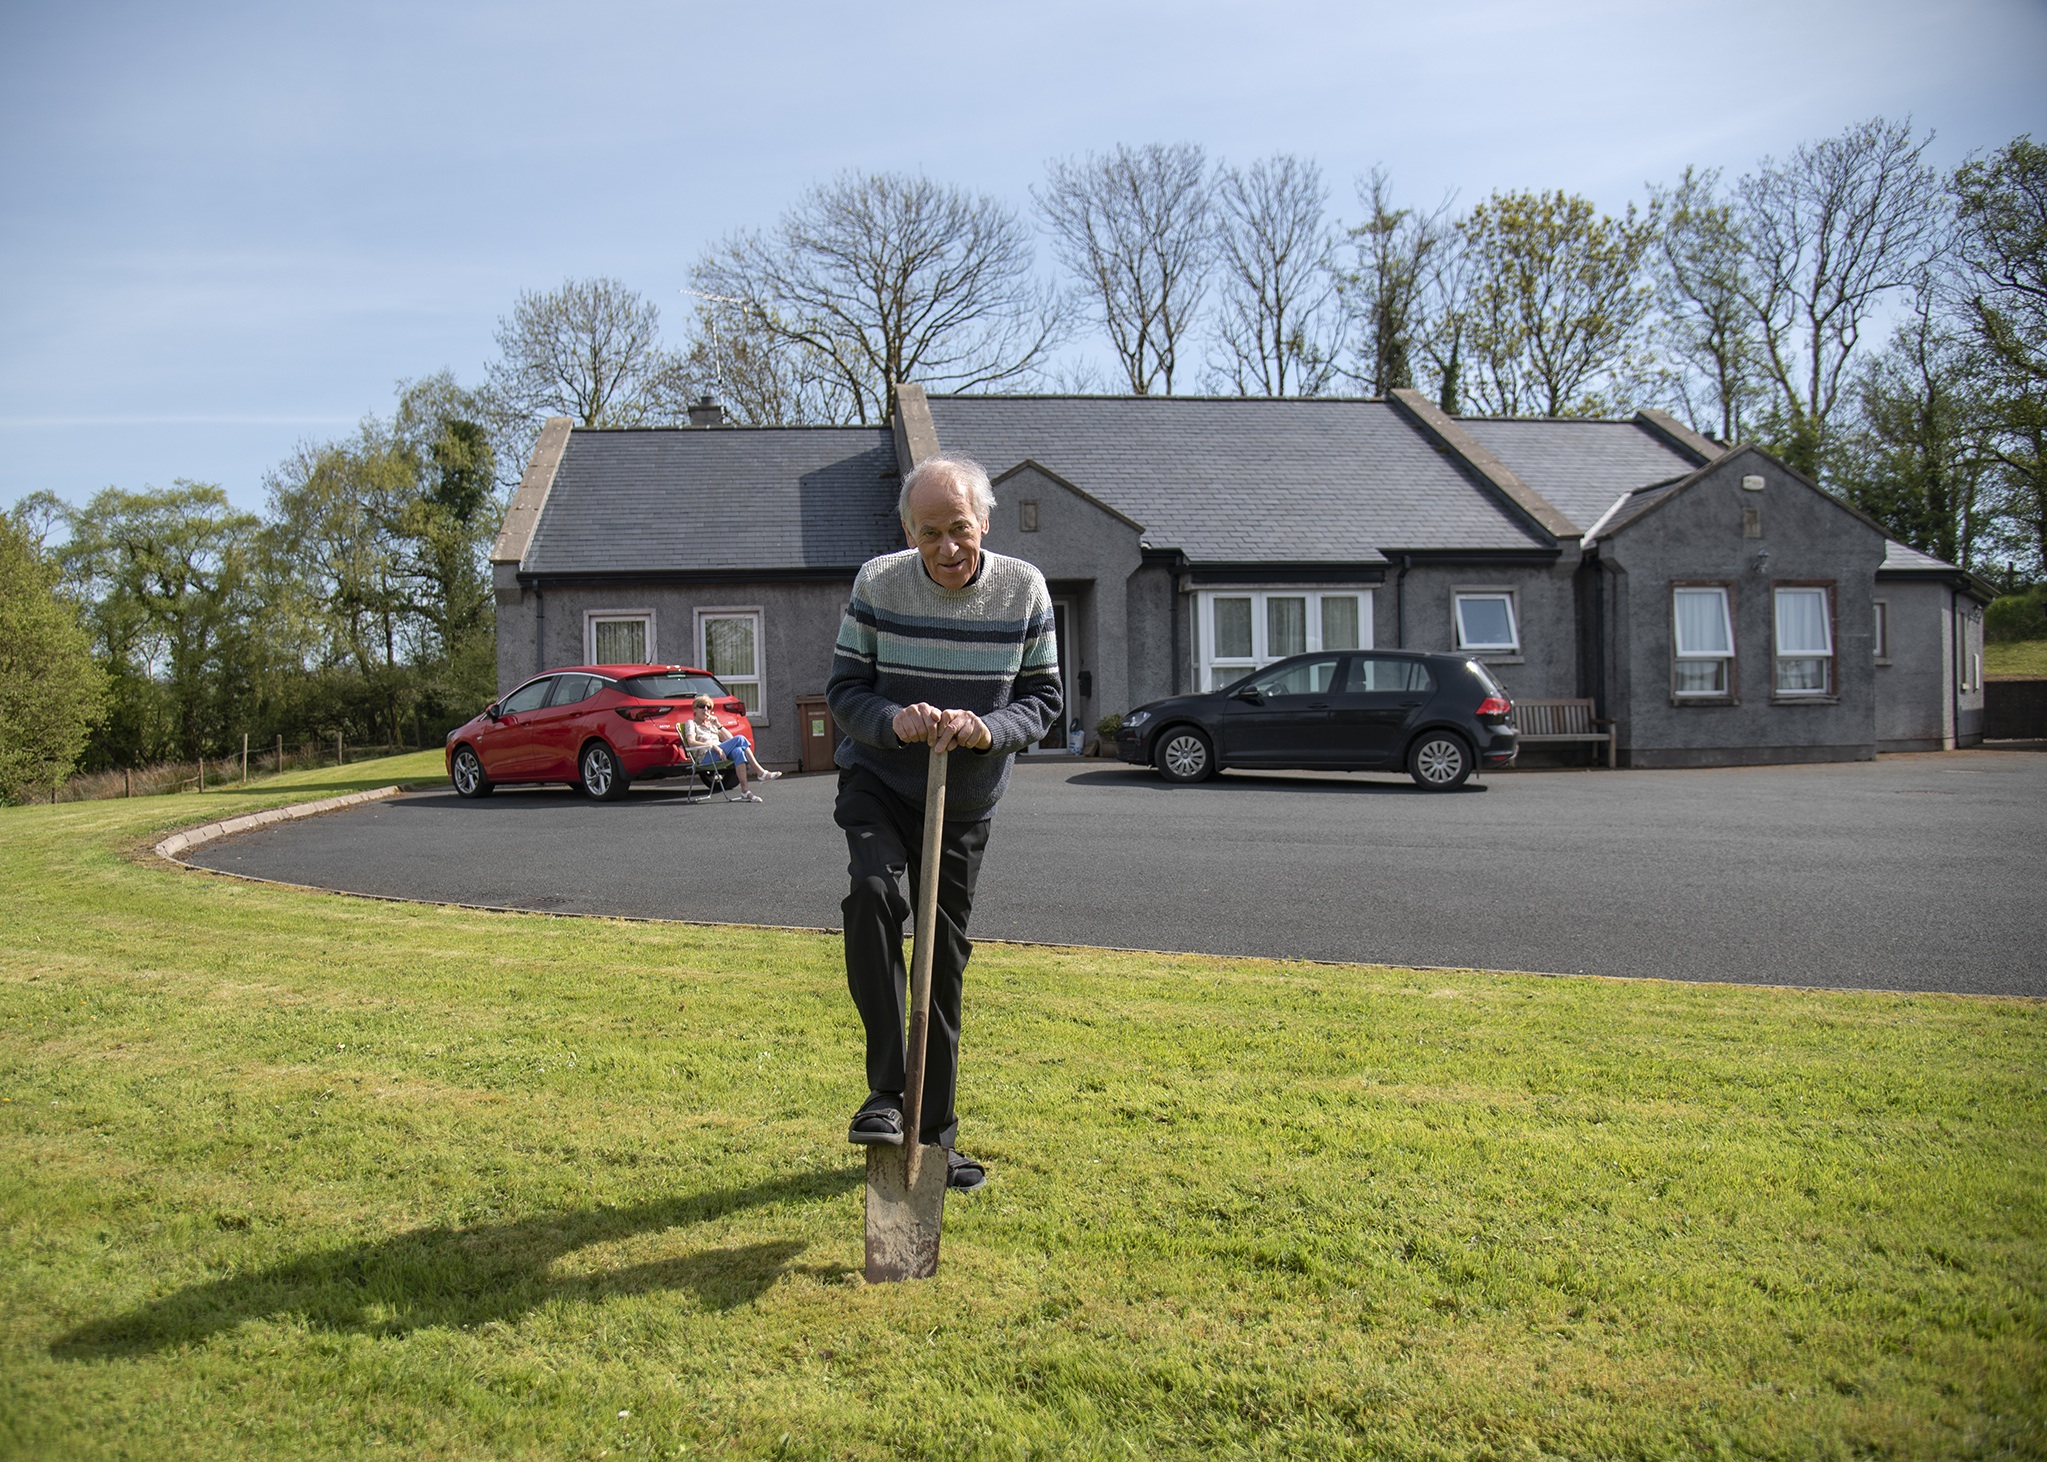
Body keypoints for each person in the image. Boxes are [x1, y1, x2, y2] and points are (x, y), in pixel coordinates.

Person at [826, 452, 1062, 1193]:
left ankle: (935, 1138)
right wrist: (893, 718)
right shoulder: (877, 582)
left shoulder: (1023, 589)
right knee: (872, 897)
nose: (947, 547)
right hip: (881, 780)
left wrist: (985, 729)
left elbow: (1042, 700)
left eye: (959, 528)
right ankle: (886, 1096)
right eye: (929, 533)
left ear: (983, 522)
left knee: (941, 961)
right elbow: (843, 690)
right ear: (909, 531)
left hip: (961, 802)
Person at [683, 695, 780, 801]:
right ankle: (760, 772)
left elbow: (730, 739)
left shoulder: (711, 725)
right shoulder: (691, 724)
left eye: (709, 707)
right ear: (695, 709)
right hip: (705, 756)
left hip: (719, 754)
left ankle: (745, 791)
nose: (706, 709)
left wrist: (718, 725)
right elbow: (691, 742)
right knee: (740, 738)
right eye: (702, 706)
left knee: (738, 751)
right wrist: (714, 746)